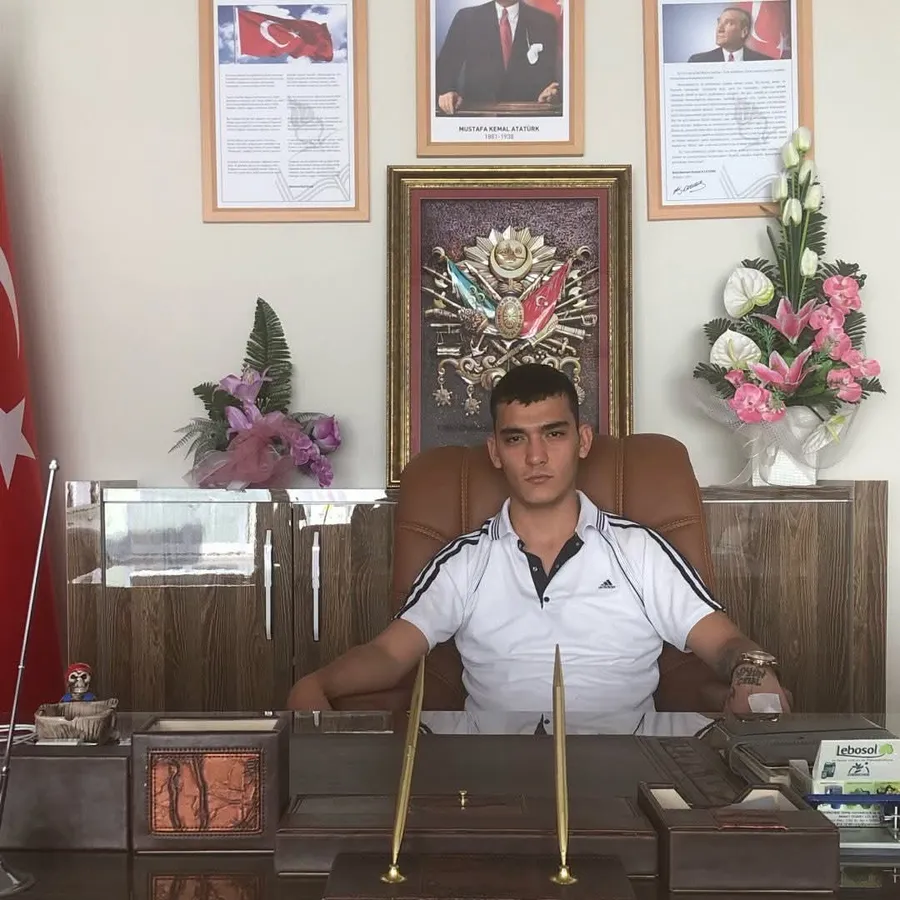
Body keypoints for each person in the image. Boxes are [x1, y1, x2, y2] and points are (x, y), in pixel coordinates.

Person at [287, 364, 791, 717]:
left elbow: (724, 643)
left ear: (583, 441)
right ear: (495, 452)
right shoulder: (465, 560)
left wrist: (754, 673)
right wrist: (318, 683)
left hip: (624, 763)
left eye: (553, 434)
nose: (536, 457)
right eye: (516, 439)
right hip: (490, 774)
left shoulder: (639, 550)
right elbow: (390, 654)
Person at [434, 0, 560, 115]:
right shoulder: (466, 18)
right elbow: (444, 70)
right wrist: (446, 92)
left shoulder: (544, 22)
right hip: (477, 118)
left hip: (527, 117)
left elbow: (551, 78)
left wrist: (548, 94)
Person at [688, 6, 773, 62]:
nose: (720, 29)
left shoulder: (765, 62)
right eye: (719, 22)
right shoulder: (698, 61)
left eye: (729, 23)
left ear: (744, 32)